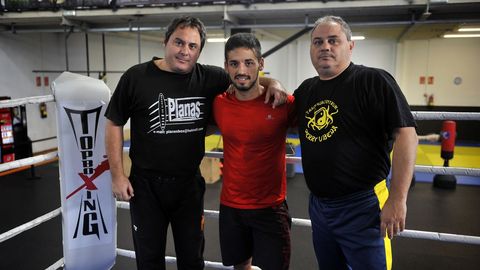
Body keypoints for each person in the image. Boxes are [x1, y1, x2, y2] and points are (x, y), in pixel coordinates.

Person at [104, 16, 287, 270]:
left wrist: (273, 83)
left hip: (188, 185)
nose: (185, 51)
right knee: (148, 259)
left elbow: (244, 77)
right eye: (179, 42)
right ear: (165, 41)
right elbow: (113, 122)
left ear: (199, 51)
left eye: (193, 46)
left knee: (192, 259)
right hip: (146, 187)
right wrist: (117, 175)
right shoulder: (136, 77)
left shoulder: (209, 77)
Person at [293, 15, 418, 270]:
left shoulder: (373, 81)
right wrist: (270, 82)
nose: (325, 47)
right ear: (311, 49)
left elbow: (407, 134)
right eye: (317, 42)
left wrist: (397, 198)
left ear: (350, 46)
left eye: (333, 40)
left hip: (363, 206)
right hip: (319, 206)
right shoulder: (305, 91)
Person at [212, 33, 295, 270]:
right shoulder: (219, 103)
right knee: (240, 267)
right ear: (226, 66)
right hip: (231, 207)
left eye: (249, 62)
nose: (242, 70)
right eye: (234, 63)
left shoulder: (281, 103)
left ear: (260, 64)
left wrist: (275, 83)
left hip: (270, 208)